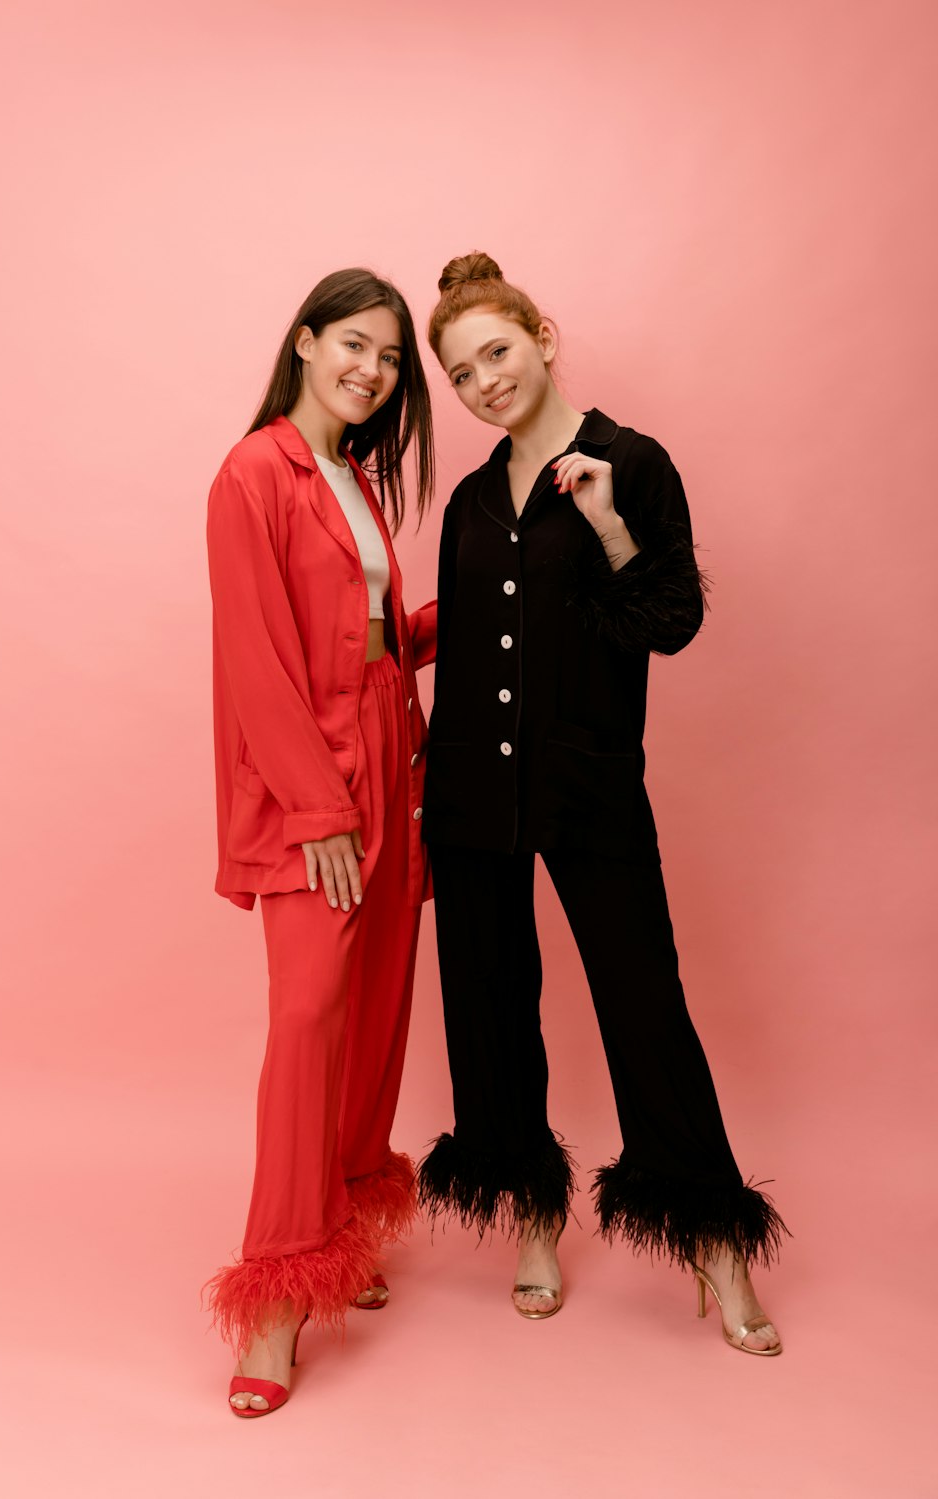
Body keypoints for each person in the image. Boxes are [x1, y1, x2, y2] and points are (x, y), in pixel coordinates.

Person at [416, 252, 787, 1356]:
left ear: (540, 335)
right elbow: (472, 635)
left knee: (643, 1005)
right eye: (461, 371)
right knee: (488, 1005)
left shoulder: (633, 461)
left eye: (496, 351)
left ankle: (715, 1241)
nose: (484, 380)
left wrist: (613, 527)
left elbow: (670, 621)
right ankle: (532, 1217)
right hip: (472, 788)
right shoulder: (475, 497)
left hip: (589, 783)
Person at [204, 268, 436, 1416]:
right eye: (354, 344)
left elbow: (377, 632)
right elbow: (257, 658)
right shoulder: (255, 471)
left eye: (390, 357)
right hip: (319, 791)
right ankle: (277, 1298)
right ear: (303, 341)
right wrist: (320, 810)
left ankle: (340, 1232)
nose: (372, 371)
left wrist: (496, 605)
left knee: (377, 1010)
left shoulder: (354, 476)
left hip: (394, 760)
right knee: (305, 1020)